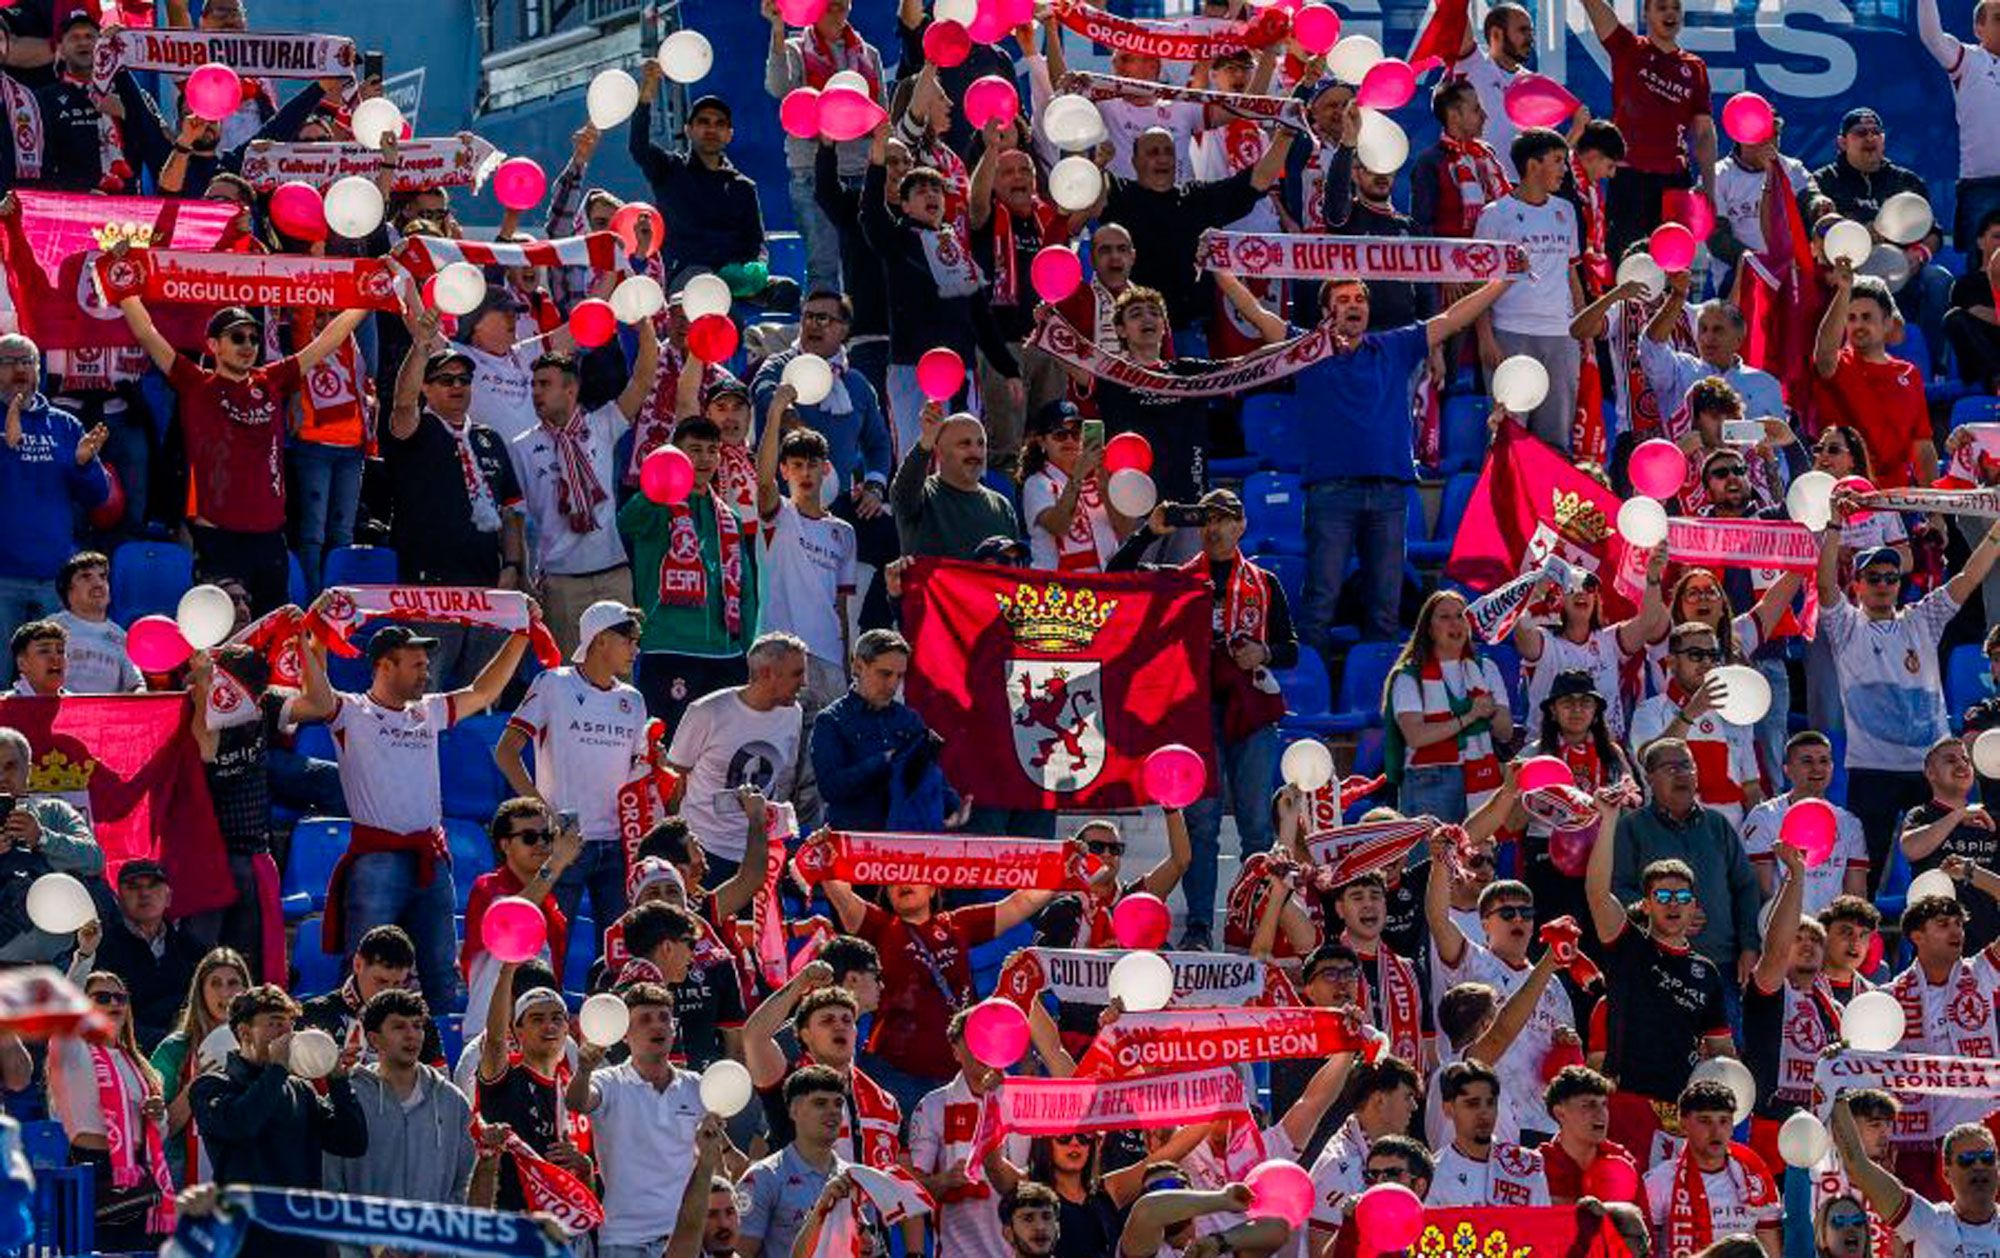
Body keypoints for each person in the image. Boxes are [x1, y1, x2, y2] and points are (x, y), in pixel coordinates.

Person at [291, 612, 533, 1013]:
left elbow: (484, 691)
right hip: (376, 858)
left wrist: (523, 636)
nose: (426, 672)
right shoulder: (350, 711)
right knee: (364, 969)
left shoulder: (428, 710)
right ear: (385, 665)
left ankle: (442, 1059)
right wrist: (313, 633)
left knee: (440, 972)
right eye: (417, 664)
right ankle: (353, 1054)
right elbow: (316, 690)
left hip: (431, 857)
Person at [1108, 489, 1297, 948]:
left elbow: (1290, 648)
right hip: (1192, 713)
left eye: (1225, 519)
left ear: (1242, 526)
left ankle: (1255, 925)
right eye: (1206, 519)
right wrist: (1148, 532)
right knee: (1202, 824)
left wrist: (1264, 650)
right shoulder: (1176, 579)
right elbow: (1117, 576)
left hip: (1248, 709)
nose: (1214, 528)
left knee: (1255, 822)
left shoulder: (1264, 583)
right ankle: (1198, 928)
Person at [1292, 276, 1511, 654]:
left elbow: (1453, 317)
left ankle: (1384, 695)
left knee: (1386, 607)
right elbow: (1259, 316)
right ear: (1326, 311)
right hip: (1331, 493)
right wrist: (1222, 272)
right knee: (1320, 603)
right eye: (1343, 299)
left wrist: (1503, 280)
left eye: (1360, 298)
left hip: (1388, 494)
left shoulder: (1393, 346)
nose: (1354, 305)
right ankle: (1309, 693)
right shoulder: (1306, 349)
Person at [113, 292, 366, 613]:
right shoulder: (196, 384)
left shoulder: (271, 380)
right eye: (236, 337)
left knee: (274, 634)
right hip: (219, 540)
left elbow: (329, 340)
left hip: (270, 538)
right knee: (224, 637)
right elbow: (147, 333)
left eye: (253, 338)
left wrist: (366, 297)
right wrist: (124, 291)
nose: (248, 345)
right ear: (213, 345)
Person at [1817, 511, 2000, 894]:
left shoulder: (1922, 619)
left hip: (1928, 768)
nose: (1884, 584)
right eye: (1873, 577)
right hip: (1872, 769)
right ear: (1858, 585)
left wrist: (1996, 533)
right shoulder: (1847, 626)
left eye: (1891, 577)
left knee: (1943, 864)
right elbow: (1825, 587)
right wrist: (1834, 526)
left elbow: (1968, 578)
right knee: (1865, 867)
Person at [820, 862, 1055, 1116]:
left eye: (912, 874)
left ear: (933, 888)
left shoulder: (958, 924)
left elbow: (1022, 903)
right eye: (893, 879)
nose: (902, 882)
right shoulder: (882, 926)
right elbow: (842, 896)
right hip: (895, 1076)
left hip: (959, 1075)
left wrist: (1062, 869)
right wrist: (824, 857)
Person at [1587, 784, 1734, 1168]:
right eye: (1663, 898)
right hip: (1628, 1102)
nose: (1673, 906)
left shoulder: (1707, 973)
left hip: (1683, 1113)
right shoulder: (1628, 947)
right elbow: (1598, 895)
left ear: (1694, 909)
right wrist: (1608, 820)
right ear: (1647, 904)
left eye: (1682, 899)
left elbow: (1722, 1053)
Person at [380, 326, 528, 689]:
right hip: (431, 589)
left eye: (464, 379)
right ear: (427, 389)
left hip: (485, 588)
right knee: (424, 692)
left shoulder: (489, 438)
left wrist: (512, 566)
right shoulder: (416, 430)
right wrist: (419, 346)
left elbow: (511, 511)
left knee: (480, 696)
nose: (457, 386)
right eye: (445, 379)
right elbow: (402, 403)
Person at [496, 600, 650, 932]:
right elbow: (506, 751)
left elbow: (637, 774)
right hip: (565, 842)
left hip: (619, 845)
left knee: (616, 955)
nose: (636, 650)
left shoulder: (634, 700)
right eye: (629, 640)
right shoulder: (553, 683)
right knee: (550, 946)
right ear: (601, 639)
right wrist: (544, 814)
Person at [190, 985, 368, 1256]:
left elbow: (352, 1142)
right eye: (274, 1024)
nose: (287, 1034)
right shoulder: (211, 1087)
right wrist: (276, 1070)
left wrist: (338, 1079)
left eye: (290, 1025)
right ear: (244, 1032)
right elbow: (242, 1123)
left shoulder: (300, 1089)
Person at [512, 342, 660, 658]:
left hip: (613, 573)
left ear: (571, 389)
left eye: (545, 384)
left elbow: (643, 381)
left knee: (621, 672)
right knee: (569, 675)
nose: (536, 392)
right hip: (561, 582)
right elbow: (516, 519)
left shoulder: (602, 424)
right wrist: (525, 577)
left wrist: (643, 325)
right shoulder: (522, 447)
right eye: (534, 384)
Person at [1426, 837, 1577, 1144]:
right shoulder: (1472, 961)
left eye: (1526, 913)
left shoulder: (1555, 985)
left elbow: (1570, 1066)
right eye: (1507, 914)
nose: (1518, 918)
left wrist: (1568, 1046)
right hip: (1491, 1122)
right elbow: (1438, 919)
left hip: (1545, 1125)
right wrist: (1440, 863)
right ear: (1484, 924)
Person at [620, 412, 759, 729]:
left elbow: (747, 590)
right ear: (676, 454)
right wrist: (661, 484)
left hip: (725, 652)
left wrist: (745, 647)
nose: (705, 458)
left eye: (712, 450)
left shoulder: (730, 518)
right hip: (669, 646)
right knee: (667, 747)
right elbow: (626, 523)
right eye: (695, 450)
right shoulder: (657, 505)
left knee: (721, 751)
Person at [567, 981, 708, 1257]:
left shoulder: (697, 1086)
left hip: (685, 1238)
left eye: (664, 1018)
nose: (658, 1026)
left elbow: (717, 1150)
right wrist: (583, 1070)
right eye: (645, 1019)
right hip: (623, 1240)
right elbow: (577, 1102)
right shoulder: (607, 1082)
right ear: (624, 1034)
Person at [320, 988, 477, 1232]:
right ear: (373, 1039)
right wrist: (373, 1243)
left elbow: (464, 1183)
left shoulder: (451, 1100)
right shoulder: (347, 1098)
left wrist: (438, 1236)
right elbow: (331, 1183)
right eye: (399, 1027)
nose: (412, 1035)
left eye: (417, 1026)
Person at [1881, 893, 2000, 1197]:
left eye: (1959, 924)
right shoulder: (1887, 999)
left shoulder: (1982, 973)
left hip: (1983, 1136)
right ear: (1917, 936)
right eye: (1944, 924)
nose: (1956, 932)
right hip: (1918, 1143)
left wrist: (1972, 876)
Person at [665, 632, 807, 886]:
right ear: (766, 673)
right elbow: (673, 779)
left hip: (760, 853)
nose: (804, 682)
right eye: (796, 674)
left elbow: (785, 776)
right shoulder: (707, 712)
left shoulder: (792, 713)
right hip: (705, 852)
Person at [1579, 0, 1718, 258]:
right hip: (1630, 178)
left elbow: (1704, 132)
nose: (1670, 13)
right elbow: (1595, 9)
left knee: (1672, 266)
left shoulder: (1695, 67)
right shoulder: (1629, 48)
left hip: (1674, 182)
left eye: (1676, 7)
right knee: (1624, 261)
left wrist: (1710, 186)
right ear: (1647, 14)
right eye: (1662, 7)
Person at [762, 0, 883, 296]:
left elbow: (881, 112)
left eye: (843, 6)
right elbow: (778, 88)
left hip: (863, 173)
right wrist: (777, 28)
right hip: (813, 172)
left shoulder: (869, 54)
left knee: (867, 265)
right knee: (824, 266)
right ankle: (819, 339)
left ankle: (862, 336)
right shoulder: (794, 48)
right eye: (830, 7)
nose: (837, 13)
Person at [48, 970, 174, 1250]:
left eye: (121, 998)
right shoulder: (73, 1052)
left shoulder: (139, 1065)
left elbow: (159, 1133)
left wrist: (158, 1116)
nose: (114, 1004)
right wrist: (84, 956)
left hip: (137, 1177)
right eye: (102, 997)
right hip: (89, 1172)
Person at [1475, 127, 1584, 450]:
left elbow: (1571, 273)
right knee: (1506, 434)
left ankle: (1549, 502)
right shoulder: (1495, 215)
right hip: (1509, 333)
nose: (1564, 169)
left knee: (1556, 441)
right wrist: (1485, 337)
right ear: (1533, 166)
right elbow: (1479, 284)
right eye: (1558, 161)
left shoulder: (1565, 211)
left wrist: (1582, 329)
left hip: (1561, 335)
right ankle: (1501, 501)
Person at [0, 333, 110, 647]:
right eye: (8, 361)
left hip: (53, 578)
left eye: (26, 361)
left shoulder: (65, 425)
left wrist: (84, 464)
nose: (18, 368)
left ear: (39, 369)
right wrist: (7, 448)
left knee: (51, 683)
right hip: (3, 576)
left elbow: (98, 498)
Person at [1740, 838, 1839, 1179]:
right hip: (1772, 1131)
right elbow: (1776, 954)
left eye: (1816, 940)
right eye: (1798, 937)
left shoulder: (1833, 1007)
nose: (1808, 944)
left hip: (1823, 1136)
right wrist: (1796, 875)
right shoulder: (1769, 990)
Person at [632, 74, 778, 300]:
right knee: (706, 285)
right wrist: (645, 99)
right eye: (703, 122)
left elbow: (756, 242)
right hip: (689, 278)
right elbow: (638, 146)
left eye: (720, 124)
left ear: (729, 135)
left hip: (735, 278)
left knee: (787, 291)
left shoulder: (743, 187)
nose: (711, 129)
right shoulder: (669, 169)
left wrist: (756, 270)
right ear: (689, 129)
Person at [756, 391, 857, 708]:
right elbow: (763, 482)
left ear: (825, 469)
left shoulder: (844, 533)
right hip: (781, 657)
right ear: (784, 471)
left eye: (812, 465)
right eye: (796, 465)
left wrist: (845, 661)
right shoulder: (779, 514)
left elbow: (841, 607)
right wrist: (774, 414)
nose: (805, 473)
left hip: (829, 659)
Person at [811, 629, 962, 833]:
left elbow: (928, 774)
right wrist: (884, 761)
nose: (893, 684)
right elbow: (831, 788)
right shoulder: (832, 720)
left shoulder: (908, 720)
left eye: (899, 676)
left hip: (903, 841)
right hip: (853, 841)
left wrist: (953, 807)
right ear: (858, 666)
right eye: (885, 674)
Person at [1384, 589, 1513, 824]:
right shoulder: (1408, 676)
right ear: (1430, 630)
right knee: (1428, 861)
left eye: (1461, 615)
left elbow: (1505, 732)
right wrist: (1471, 716)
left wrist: (1491, 711)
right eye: (1444, 617)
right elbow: (1417, 736)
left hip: (1481, 772)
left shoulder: (1487, 669)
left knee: (1478, 859)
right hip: (1429, 779)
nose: (1455, 623)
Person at [476, 966, 591, 1211]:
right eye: (537, 1019)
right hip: (514, 1224)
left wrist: (583, 1164)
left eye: (556, 1018)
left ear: (567, 1028)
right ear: (518, 1031)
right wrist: (506, 971)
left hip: (564, 1230)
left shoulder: (576, 1092)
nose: (549, 1026)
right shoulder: (506, 1078)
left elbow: (588, 1186)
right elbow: (495, 1042)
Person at [1515, 556, 1667, 742]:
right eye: (1572, 587)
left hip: (1603, 754)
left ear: (1596, 600)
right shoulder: (1544, 641)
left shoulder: (1609, 641)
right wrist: (1539, 590)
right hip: (1549, 754)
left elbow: (1649, 620)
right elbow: (1521, 629)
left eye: (1589, 587)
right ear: (1559, 598)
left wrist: (1652, 577)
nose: (1582, 593)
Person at [1628, 622, 1763, 831]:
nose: (1707, 662)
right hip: (1671, 835)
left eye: (1713, 655)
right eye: (1696, 654)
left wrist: (1755, 838)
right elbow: (1650, 762)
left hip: (1728, 840)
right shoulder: (1650, 710)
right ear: (1672, 662)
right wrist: (1691, 711)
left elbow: (1751, 787)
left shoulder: (1736, 713)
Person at [739, 1064, 884, 1258]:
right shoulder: (763, 1177)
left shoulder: (857, 1178)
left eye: (838, 1103)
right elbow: (740, 1253)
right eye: (820, 1103)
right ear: (794, 1111)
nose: (833, 1111)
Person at [1833, 1091, 2000, 1258]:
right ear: (1946, 1173)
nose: (1979, 1166)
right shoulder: (1927, 1221)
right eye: (1966, 1160)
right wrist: (1837, 1094)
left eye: (1987, 1158)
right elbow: (1857, 1164)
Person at [460, 799, 580, 1024]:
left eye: (547, 836)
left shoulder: (551, 904)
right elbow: (512, 919)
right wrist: (555, 865)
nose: (541, 844)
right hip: (488, 1034)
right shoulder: (487, 887)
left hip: (536, 1036)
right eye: (529, 837)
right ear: (505, 845)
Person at [1812, 265, 1932, 490]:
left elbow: (1922, 446)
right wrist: (1843, 292)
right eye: (1852, 318)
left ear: (1887, 322)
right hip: (1844, 497)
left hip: (1896, 500)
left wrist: (1935, 509)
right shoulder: (1839, 365)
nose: (1858, 325)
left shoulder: (1909, 374)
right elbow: (1824, 356)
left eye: (1867, 317)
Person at [1643, 1079, 1783, 1257]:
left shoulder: (1756, 1178)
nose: (1716, 1131)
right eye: (1705, 1121)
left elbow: (1771, 1250)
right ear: (1683, 1123)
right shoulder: (1659, 1181)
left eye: (1724, 1121)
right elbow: (1645, 1249)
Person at [0, 725, 103, 964]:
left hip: (58, 964)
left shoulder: (55, 812)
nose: (2, 777)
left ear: (29, 770)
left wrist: (43, 838)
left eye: (10, 766)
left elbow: (94, 860)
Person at [148, 947, 249, 1187]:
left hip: (244, 1170)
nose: (225, 993)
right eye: (215, 983)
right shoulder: (173, 1050)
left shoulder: (259, 1048)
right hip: (183, 1174)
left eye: (233, 983)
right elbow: (162, 1128)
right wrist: (196, 1086)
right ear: (200, 991)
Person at [1740, 732, 1869, 914]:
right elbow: (1761, 889)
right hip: (1781, 926)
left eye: (1824, 761)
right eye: (1807, 761)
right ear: (1787, 769)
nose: (1817, 768)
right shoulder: (1764, 817)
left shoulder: (1849, 823)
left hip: (1828, 932)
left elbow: (1856, 893)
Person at [88, 858, 204, 1052]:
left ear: (168, 897)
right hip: (129, 1049)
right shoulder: (102, 947)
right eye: (133, 887)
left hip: (189, 1046)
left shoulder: (192, 947)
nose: (144, 893)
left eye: (153, 885)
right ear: (119, 899)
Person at [1305, 1056, 1425, 1238]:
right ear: (1379, 1101)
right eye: (1407, 1097)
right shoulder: (1336, 1167)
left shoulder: (1384, 1150)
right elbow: (1319, 1253)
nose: (1414, 1107)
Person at [1901, 738, 2000, 951]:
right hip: (1935, 951)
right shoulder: (1922, 815)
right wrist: (1958, 815)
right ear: (1931, 774)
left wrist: (1970, 872)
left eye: (1965, 759)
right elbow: (1911, 848)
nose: (1962, 764)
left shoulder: (1991, 819)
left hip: (1988, 951)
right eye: (1950, 759)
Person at [891, 403, 1017, 559]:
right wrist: (927, 440)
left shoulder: (1003, 507)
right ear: (940, 453)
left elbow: (1013, 571)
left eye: (980, 444)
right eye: (964, 444)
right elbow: (904, 487)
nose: (975, 452)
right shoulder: (923, 498)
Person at [1427, 1059, 1551, 1206]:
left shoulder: (1527, 1165)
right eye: (1472, 1104)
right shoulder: (1436, 1173)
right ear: (1448, 1109)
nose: (1484, 1113)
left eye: (1491, 1103)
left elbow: (1543, 1223)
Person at [1020, 400, 1117, 574]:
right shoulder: (1036, 483)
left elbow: (1125, 530)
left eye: (1076, 434)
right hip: (1059, 590)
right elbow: (1059, 526)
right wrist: (1078, 476)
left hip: (1103, 586)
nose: (1070, 440)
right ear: (1042, 441)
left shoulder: (1097, 477)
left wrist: (1105, 486)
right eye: (1060, 435)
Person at [1412, 80, 1512, 239]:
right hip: (1452, 260)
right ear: (1454, 116)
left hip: (1494, 257)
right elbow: (1422, 228)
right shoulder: (1431, 162)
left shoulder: (1486, 154)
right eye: (1476, 109)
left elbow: (1508, 207)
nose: (1484, 116)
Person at [1539, 1066, 1642, 1204]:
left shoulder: (1624, 1161)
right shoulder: (1538, 1166)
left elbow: (1642, 1224)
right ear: (1560, 1113)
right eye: (1588, 1105)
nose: (1601, 1113)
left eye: (1604, 1104)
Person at [48, 552, 139, 694]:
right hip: (60, 712)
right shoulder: (51, 627)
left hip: (105, 714)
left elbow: (136, 685)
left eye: (102, 577)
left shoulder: (121, 636)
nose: (98, 583)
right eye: (86, 576)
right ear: (68, 590)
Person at [10, 620, 66, 697]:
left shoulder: (80, 705)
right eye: (44, 651)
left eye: (60, 651)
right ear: (22, 663)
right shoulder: (4, 706)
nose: (56, 657)